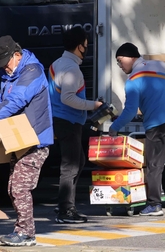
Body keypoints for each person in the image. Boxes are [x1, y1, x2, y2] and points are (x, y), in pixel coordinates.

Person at [109, 42, 165, 216]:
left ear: (131, 57)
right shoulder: (161, 65)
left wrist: (114, 128)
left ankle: (154, 205)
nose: (120, 65)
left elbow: (130, 111)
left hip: (157, 124)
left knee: (154, 165)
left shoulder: (132, 81)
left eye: (120, 60)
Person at [0, 36, 54, 247]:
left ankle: (26, 234)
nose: (4, 68)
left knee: (20, 188)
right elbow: (1, 100)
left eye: (6, 63)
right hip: (19, 141)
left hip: (35, 141)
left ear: (17, 55)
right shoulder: (9, 75)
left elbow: (16, 100)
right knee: (13, 188)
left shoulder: (33, 71)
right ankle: (23, 231)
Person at [48, 27, 104, 224]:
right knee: (70, 165)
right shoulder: (72, 69)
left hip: (59, 119)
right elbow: (68, 98)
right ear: (80, 46)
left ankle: (65, 203)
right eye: (86, 44)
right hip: (68, 120)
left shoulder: (57, 63)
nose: (86, 48)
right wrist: (94, 105)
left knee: (78, 161)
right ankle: (66, 210)